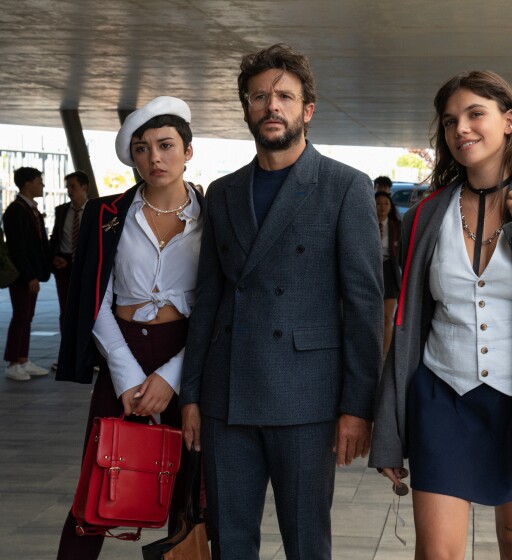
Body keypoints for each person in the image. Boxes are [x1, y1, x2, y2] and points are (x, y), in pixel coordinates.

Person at [370, 70, 512, 560]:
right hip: (442, 397)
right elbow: (407, 328)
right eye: (451, 121)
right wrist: (388, 432)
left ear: (509, 121)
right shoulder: (426, 214)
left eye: (476, 114)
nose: (461, 130)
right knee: (437, 553)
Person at [179, 43, 382, 560]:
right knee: (230, 541)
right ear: (247, 109)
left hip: (307, 399)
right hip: (227, 397)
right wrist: (192, 394)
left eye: (285, 96)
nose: (272, 106)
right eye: (260, 97)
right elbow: (210, 299)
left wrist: (357, 408)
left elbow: (363, 304)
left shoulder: (344, 187)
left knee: (307, 543)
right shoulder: (222, 192)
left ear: (306, 110)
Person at [55, 96, 203, 559]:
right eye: (142, 149)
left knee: (190, 487)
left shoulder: (216, 218)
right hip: (121, 348)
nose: (154, 158)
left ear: (188, 151)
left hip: (188, 353)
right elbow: (92, 299)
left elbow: (220, 309)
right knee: (97, 483)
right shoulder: (105, 215)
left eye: (165, 145)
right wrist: (128, 375)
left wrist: (171, 377)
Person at [3, 166, 51, 381]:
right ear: (27, 183)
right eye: (39, 181)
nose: (42, 185)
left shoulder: (31, 208)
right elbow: (18, 247)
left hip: (31, 272)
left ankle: (23, 358)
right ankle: (13, 362)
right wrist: (29, 275)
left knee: (27, 316)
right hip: (22, 274)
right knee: (21, 315)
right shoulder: (15, 210)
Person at [50, 170, 90, 335]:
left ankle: (86, 355)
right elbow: (55, 238)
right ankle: (66, 353)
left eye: (73, 187)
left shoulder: (95, 210)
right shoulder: (61, 211)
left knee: (87, 307)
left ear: (84, 187)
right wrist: (54, 257)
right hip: (65, 264)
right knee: (66, 309)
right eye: (67, 187)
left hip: (87, 263)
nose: (69, 191)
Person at [376, 191, 402, 357]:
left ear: (391, 206)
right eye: (378, 203)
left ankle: (383, 355)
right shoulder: (365, 223)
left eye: (386, 203)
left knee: (387, 317)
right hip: (371, 271)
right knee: (371, 317)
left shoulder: (396, 226)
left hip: (390, 272)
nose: (382, 207)